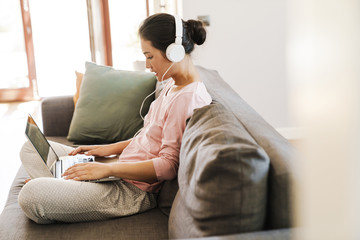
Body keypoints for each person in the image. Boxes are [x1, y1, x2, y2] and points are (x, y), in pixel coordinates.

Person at [18, 13, 212, 224]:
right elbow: (149, 137)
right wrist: (107, 150)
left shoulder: (188, 98)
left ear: (174, 52)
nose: (147, 65)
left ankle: (56, 188)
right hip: (119, 168)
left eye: (149, 56)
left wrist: (107, 168)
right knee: (29, 149)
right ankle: (61, 185)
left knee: (30, 195)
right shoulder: (173, 84)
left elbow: (168, 166)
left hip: (132, 190)